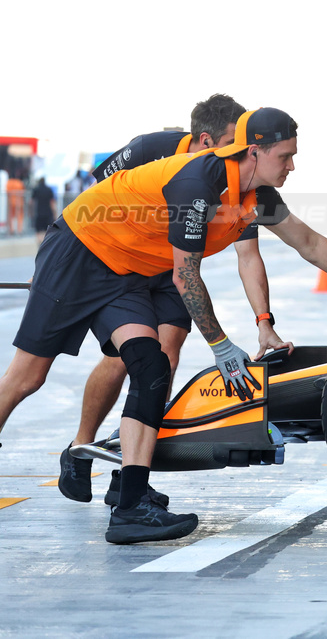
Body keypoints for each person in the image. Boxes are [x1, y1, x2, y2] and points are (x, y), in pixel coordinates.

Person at [0, 108, 327, 544]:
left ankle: (130, 505)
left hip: (125, 271)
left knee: (151, 365)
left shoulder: (257, 195)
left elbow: (309, 243)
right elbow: (185, 276)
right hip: (79, 253)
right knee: (27, 378)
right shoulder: (199, 184)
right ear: (255, 151)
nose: (292, 165)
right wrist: (220, 343)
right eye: (286, 155)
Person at [56, 94, 286, 505]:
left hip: (174, 268)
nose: (235, 153)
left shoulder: (238, 183)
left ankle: (130, 474)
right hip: (124, 259)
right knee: (120, 359)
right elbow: (93, 203)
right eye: (230, 142)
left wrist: (263, 322)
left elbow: (248, 256)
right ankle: (79, 449)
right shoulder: (150, 149)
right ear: (205, 138)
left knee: (165, 358)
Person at [31, 177, 56, 244]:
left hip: (39, 213)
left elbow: (32, 202)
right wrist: (54, 213)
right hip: (48, 213)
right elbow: (52, 202)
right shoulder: (49, 190)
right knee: (46, 231)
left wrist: (31, 212)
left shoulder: (36, 189)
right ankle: (44, 244)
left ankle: (39, 245)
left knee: (38, 231)